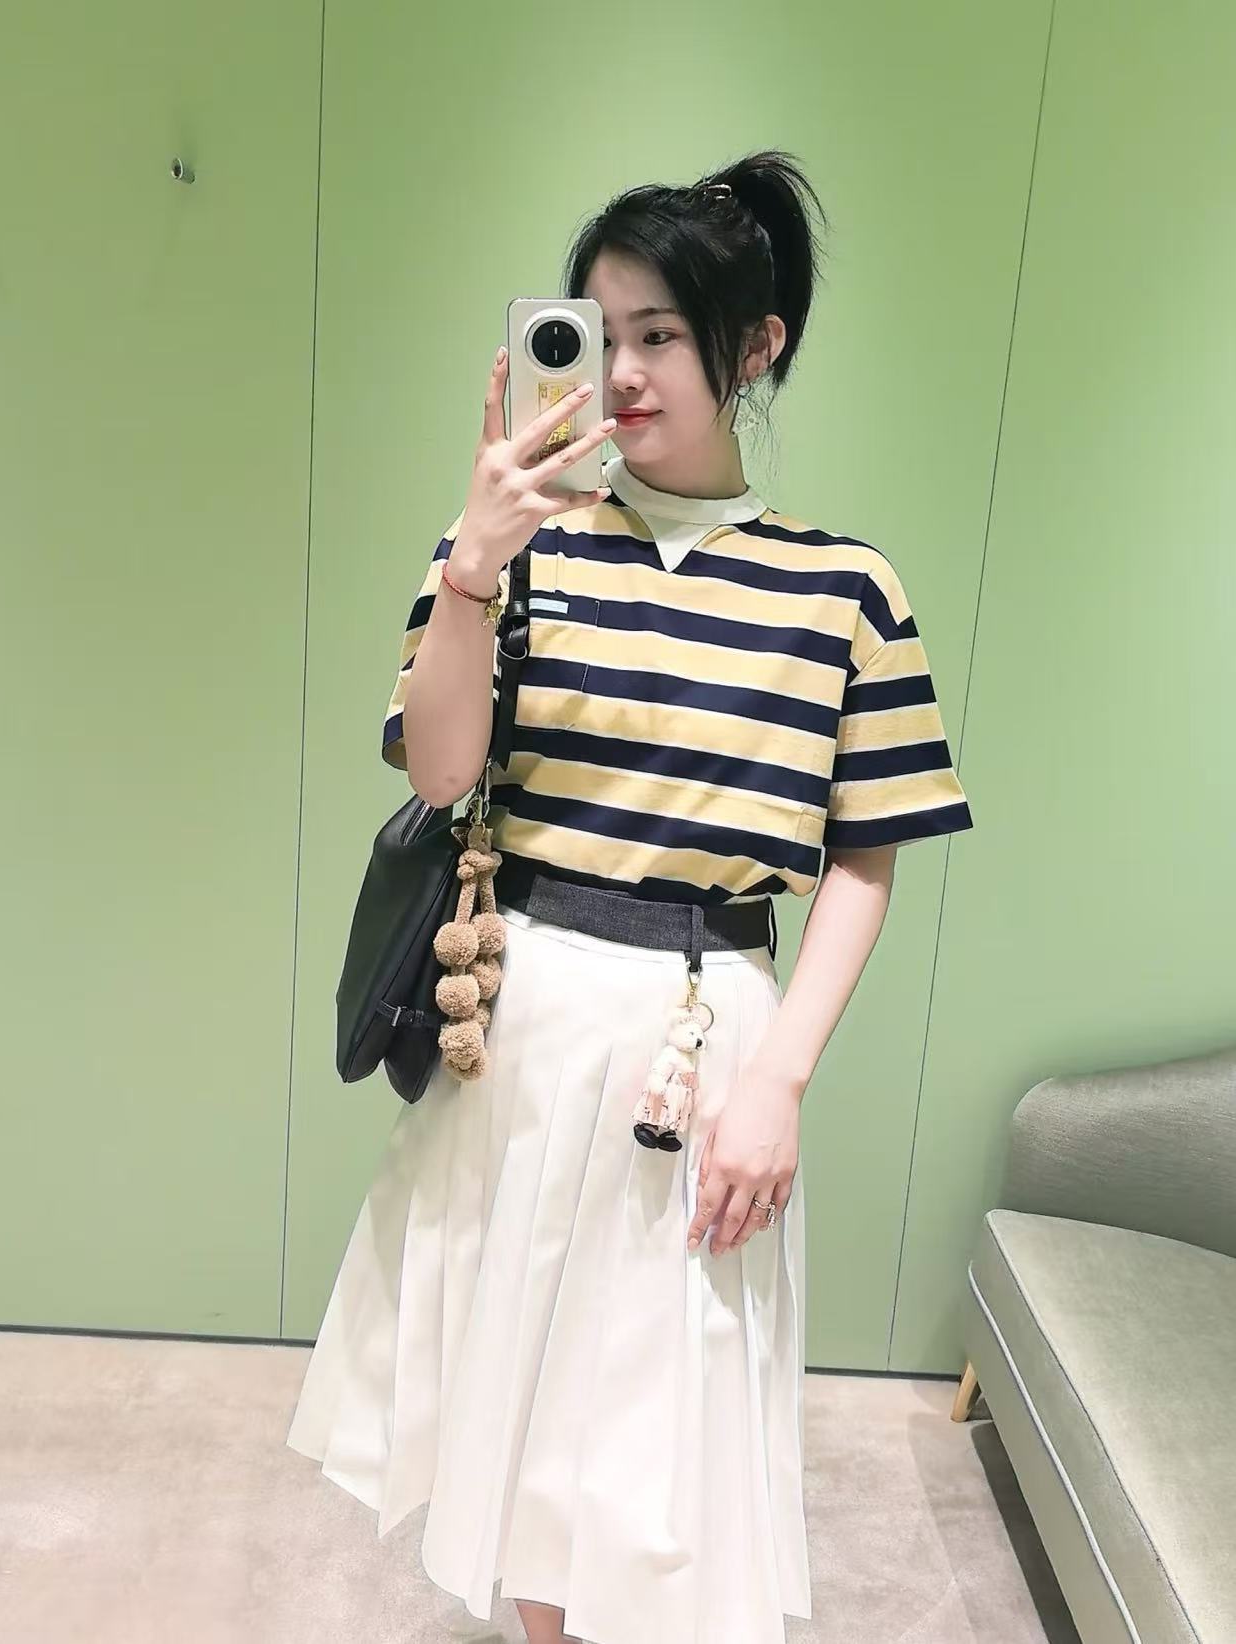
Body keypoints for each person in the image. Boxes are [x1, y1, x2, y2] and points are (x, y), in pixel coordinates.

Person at [287, 148, 974, 1644]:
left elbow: (866, 852)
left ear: (756, 345)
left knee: (664, 1427)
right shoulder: (518, 552)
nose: (624, 372)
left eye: (661, 333)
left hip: (708, 1039)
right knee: (533, 1411)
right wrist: (473, 567)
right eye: (600, 334)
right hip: (525, 1024)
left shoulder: (846, 589)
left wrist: (781, 1078)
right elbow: (440, 769)